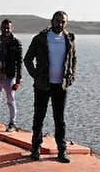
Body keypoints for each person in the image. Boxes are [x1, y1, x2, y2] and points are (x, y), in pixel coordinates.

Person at [23, 11, 76, 163]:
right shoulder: (40, 38)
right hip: (43, 85)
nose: (60, 24)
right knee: (39, 117)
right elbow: (27, 59)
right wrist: (36, 75)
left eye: (63, 22)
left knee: (59, 119)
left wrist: (71, 76)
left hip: (61, 85)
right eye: (57, 21)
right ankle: (36, 148)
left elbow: (74, 59)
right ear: (52, 21)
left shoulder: (69, 39)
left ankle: (62, 150)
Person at [0, 19, 23, 132]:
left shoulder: (16, 43)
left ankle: (12, 122)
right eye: (4, 27)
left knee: (10, 100)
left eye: (8, 28)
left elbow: (19, 61)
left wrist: (19, 77)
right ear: (0, 28)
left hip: (9, 76)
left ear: (11, 28)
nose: (6, 29)